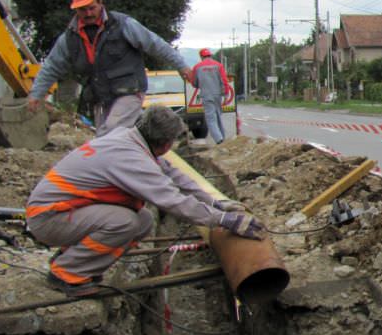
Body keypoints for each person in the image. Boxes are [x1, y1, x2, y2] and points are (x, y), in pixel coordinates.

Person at [25, 105, 263, 297]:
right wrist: (223, 220)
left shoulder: (130, 138)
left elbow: (175, 175)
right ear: (166, 143)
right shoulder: (131, 159)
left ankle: (74, 259)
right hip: (49, 218)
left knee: (144, 220)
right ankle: (67, 272)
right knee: (125, 222)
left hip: (64, 213)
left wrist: (216, 202)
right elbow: (173, 200)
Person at [27, 0, 193, 137]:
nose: (88, 13)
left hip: (129, 90)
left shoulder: (123, 25)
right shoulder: (69, 38)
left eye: (91, 8)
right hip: (101, 97)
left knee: (110, 134)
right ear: (76, 10)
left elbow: (155, 44)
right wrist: (36, 95)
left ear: (100, 3)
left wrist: (182, 67)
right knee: (105, 140)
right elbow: (51, 67)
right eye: (82, 10)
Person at [190, 48, 232, 144]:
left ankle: (219, 140)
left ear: (201, 56)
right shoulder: (218, 65)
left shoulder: (197, 67)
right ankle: (222, 137)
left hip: (206, 95)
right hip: (217, 95)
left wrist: (200, 84)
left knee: (210, 118)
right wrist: (226, 94)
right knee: (217, 115)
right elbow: (224, 81)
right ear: (210, 55)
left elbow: (194, 83)